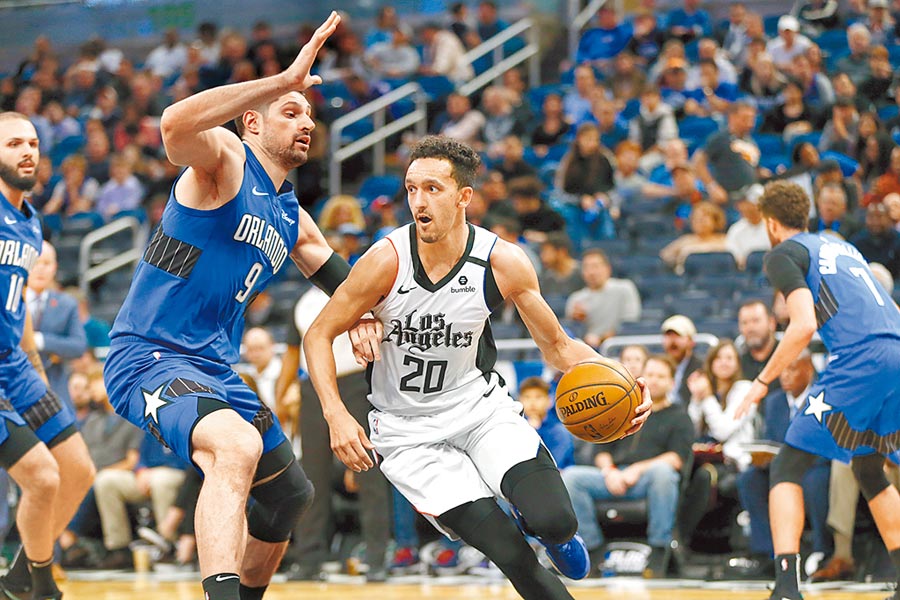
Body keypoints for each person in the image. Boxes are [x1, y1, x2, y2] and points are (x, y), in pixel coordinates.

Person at [302, 135, 652, 600]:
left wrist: (624, 378)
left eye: (433, 189)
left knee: (554, 520)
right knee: (512, 556)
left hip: (479, 411)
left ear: (464, 196)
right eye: (411, 189)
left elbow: (558, 347)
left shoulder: (501, 261)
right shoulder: (385, 261)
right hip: (408, 435)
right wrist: (335, 414)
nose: (418, 202)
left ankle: (557, 533)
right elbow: (318, 334)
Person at [101, 14, 375, 600]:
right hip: (149, 357)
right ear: (253, 120)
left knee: (290, 494)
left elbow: (343, 281)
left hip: (215, 369)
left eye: (309, 113)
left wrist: (370, 316)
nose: (306, 122)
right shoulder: (224, 159)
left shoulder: (291, 217)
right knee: (236, 447)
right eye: (290, 111)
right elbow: (173, 123)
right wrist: (281, 79)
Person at [736, 180, 900, 600]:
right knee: (867, 468)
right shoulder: (843, 247)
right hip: (896, 353)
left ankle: (787, 587)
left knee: (786, 466)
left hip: (860, 358)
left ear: (771, 224)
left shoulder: (784, 252)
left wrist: (760, 381)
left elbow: (804, 324)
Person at [0, 112, 97, 600]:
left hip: (16, 368)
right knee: (40, 477)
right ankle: (41, 586)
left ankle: (18, 574)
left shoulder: (30, 225)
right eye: (14, 142)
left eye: (33, 143)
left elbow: (18, 305)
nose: (27, 152)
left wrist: (34, 367)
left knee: (78, 470)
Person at [562, 355, 695, 578]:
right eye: (650, 374)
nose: (654, 380)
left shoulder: (679, 416)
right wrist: (610, 471)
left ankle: (659, 551)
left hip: (648, 478)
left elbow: (676, 458)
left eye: (661, 376)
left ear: (672, 382)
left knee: (664, 473)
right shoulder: (624, 408)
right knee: (572, 477)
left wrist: (637, 469)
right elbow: (601, 451)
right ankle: (593, 551)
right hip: (614, 476)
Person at [734, 349, 831, 579]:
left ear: (808, 368)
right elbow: (771, 440)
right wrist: (762, 457)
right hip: (781, 467)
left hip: (815, 466)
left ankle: (821, 550)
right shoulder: (774, 402)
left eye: (792, 368)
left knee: (815, 480)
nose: (785, 375)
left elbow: (831, 445)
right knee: (749, 479)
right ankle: (767, 552)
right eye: (782, 369)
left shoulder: (824, 397)